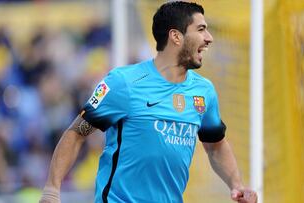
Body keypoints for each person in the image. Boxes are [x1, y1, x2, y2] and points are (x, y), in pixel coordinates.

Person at [39, 1, 257, 203]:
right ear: (176, 36)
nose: (209, 37)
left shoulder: (204, 91)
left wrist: (236, 185)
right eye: (201, 29)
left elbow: (215, 146)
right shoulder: (123, 82)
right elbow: (78, 132)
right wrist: (52, 188)